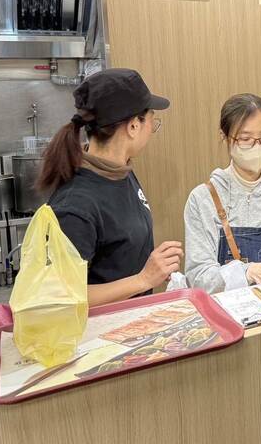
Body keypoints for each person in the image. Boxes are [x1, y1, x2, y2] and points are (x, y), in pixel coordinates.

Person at [37, 68, 184, 307]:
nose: (152, 129)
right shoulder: (76, 206)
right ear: (134, 126)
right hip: (96, 335)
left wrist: (149, 265)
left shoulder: (120, 170)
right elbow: (58, 297)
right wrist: (143, 279)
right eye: (151, 119)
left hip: (130, 320)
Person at [184, 94, 261, 294]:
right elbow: (199, 277)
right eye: (246, 139)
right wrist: (247, 272)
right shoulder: (203, 199)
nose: (257, 146)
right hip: (228, 316)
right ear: (224, 137)